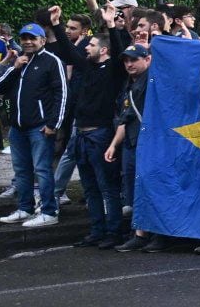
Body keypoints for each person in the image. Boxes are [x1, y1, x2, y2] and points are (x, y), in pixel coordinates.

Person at [44, 18, 127, 246]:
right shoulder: (88, 67)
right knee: (90, 187)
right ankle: (97, 230)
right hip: (81, 135)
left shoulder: (113, 70)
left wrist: (111, 25)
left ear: (103, 49)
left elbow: (120, 52)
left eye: (90, 45)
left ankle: (113, 232)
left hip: (100, 135)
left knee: (106, 187)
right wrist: (57, 24)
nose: (86, 48)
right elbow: (69, 52)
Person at [0, 22, 68, 227]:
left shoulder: (52, 61)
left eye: (32, 38)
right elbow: (0, 87)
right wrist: (14, 67)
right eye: (24, 38)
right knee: (21, 170)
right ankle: (25, 208)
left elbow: (62, 93)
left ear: (42, 40)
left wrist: (53, 124)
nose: (28, 42)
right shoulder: (20, 62)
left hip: (40, 127)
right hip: (18, 127)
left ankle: (49, 211)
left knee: (42, 169)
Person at [110, 44, 157, 251]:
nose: (129, 64)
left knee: (151, 188)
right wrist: (113, 145)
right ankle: (140, 232)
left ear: (147, 60)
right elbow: (125, 118)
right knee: (134, 189)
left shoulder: (154, 81)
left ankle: (157, 234)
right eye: (126, 60)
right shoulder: (128, 85)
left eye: (134, 59)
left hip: (151, 144)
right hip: (131, 143)